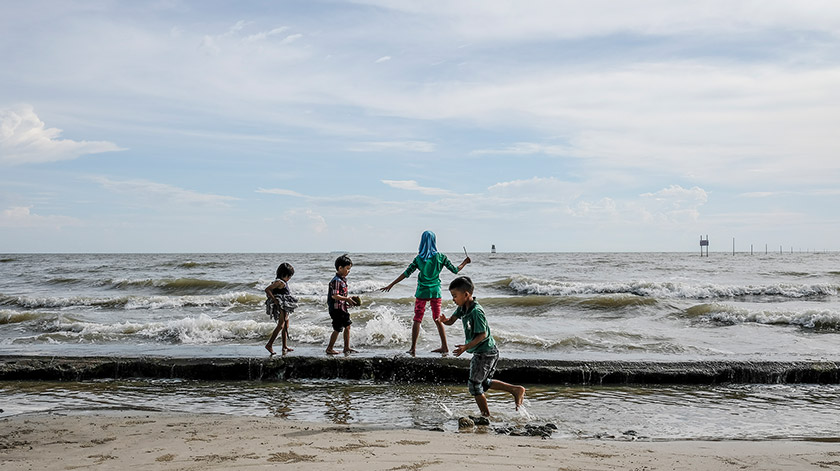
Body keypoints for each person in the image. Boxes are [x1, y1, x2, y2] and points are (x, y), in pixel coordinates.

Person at [439, 276, 525, 416]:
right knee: (483, 383)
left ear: (466, 294)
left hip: (487, 352)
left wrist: (466, 347)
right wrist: (444, 321)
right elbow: (451, 321)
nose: (453, 299)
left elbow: (482, 335)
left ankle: (485, 416)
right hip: (481, 352)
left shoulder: (476, 312)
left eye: (455, 296)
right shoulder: (462, 308)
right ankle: (515, 390)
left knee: (474, 384)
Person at [381, 230, 469, 355]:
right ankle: (444, 347)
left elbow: (406, 274)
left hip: (422, 292)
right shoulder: (441, 257)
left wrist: (391, 284)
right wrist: (465, 262)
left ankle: (413, 349)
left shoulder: (419, 259)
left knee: (417, 319)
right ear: (434, 241)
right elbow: (455, 270)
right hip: (435, 292)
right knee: (437, 319)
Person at [327, 254, 358, 355]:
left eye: (350, 269)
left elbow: (341, 295)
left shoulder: (343, 280)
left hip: (342, 308)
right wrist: (347, 299)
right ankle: (329, 348)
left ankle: (346, 347)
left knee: (347, 326)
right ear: (340, 268)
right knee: (337, 328)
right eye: (347, 268)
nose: (348, 271)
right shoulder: (336, 280)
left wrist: (349, 301)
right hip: (336, 309)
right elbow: (335, 296)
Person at [264, 262, 298, 355]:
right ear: (284, 275)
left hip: (284, 305)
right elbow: (267, 289)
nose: (290, 278)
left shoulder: (282, 281)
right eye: (289, 276)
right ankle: (269, 344)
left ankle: (284, 346)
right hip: (281, 305)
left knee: (286, 325)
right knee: (281, 325)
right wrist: (274, 299)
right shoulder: (279, 282)